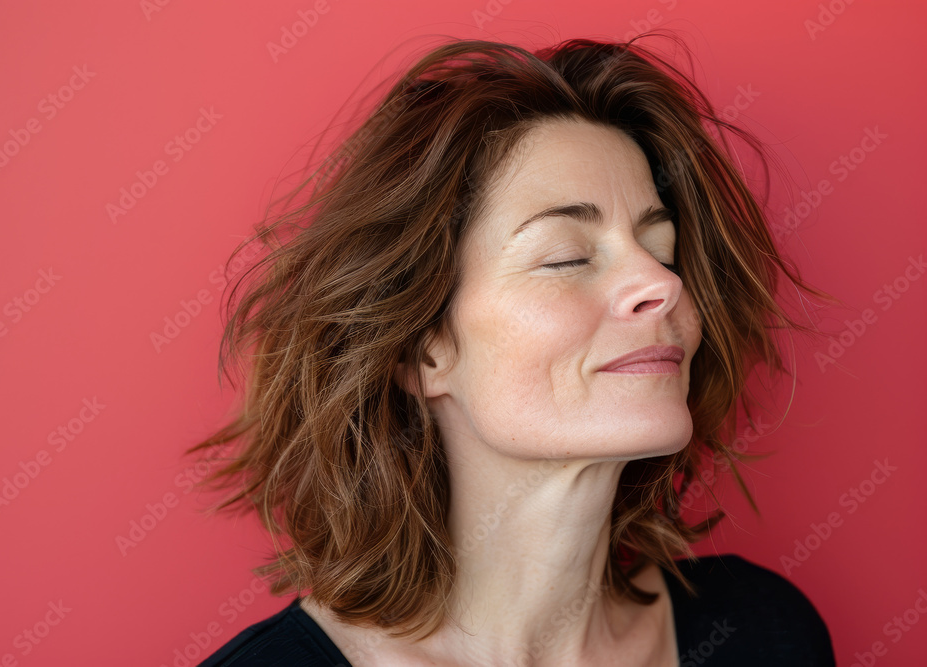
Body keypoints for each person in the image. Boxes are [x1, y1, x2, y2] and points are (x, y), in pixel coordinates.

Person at [189, 33, 839, 666]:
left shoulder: (762, 632)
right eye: (567, 257)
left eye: (662, 249)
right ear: (423, 350)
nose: (663, 284)